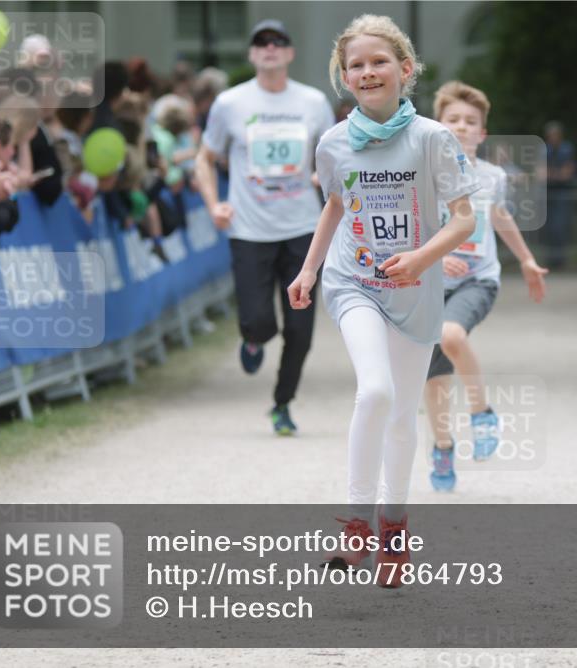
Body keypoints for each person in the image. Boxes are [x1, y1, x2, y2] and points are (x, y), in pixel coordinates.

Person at [286, 14, 477, 587]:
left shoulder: (431, 139)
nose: (367, 72)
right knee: (374, 391)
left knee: (400, 415)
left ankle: (394, 529)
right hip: (354, 281)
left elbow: (463, 219)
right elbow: (335, 207)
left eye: (378, 62)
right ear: (344, 78)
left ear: (405, 69)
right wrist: (310, 269)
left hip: (415, 289)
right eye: (355, 65)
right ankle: (357, 524)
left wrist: (422, 258)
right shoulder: (333, 143)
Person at [196, 19, 335, 436]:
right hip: (250, 230)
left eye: (278, 42)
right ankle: (254, 338)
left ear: (290, 53)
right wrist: (213, 204)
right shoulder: (230, 103)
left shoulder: (312, 102)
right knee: (260, 320)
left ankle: (282, 403)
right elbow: (204, 158)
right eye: (262, 43)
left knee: (300, 328)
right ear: (252, 54)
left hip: (303, 230)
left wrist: (320, 178)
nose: (270, 48)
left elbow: (331, 157)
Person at [425, 80, 548, 491]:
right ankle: (443, 447)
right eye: (452, 120)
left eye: (470, 122)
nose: (461, 127)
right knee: (433, 377)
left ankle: (482, 412)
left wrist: (527, 259)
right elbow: (412, 231)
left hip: (477, 280)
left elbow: (500, 218)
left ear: (482, 133)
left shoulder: (492, 176)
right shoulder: (424, 176)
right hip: (428, 283)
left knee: (451, 335)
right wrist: (438, 256)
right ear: (437, 128)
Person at [541, 120, 576, 269]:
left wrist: (553, 174)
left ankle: (560, 258)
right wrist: (556, 174)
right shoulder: (543, 150)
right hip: (547, 192)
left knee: (560, 225)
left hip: (562, 192)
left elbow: (567, 173)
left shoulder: (567, 149)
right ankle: (551, 258)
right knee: (549, 226)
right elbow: (541, 173)